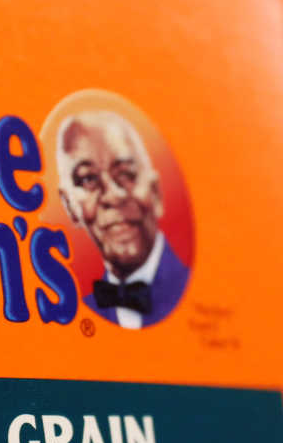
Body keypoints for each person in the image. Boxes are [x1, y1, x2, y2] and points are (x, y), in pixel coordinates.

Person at [54, 110, 189, 328]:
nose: (113, 195)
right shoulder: (80, 312)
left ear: (156, 192)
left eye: (126, 174)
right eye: (88, 179)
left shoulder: (196, 291)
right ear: (69, 206)